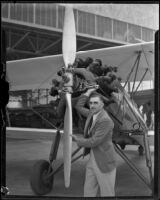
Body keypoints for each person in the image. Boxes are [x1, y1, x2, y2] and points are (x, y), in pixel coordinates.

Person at [72, 89, 117, 197]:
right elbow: (78, 107)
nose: (92, 105)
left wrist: (78, 140)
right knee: (88, 190)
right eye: (91, 103)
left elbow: (94, 142)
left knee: (107, 193)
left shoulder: (105, 120)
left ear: (102, 104)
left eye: (95, 103)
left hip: (104, 160)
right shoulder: (91, 114)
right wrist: (88, 92)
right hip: (93, 157)